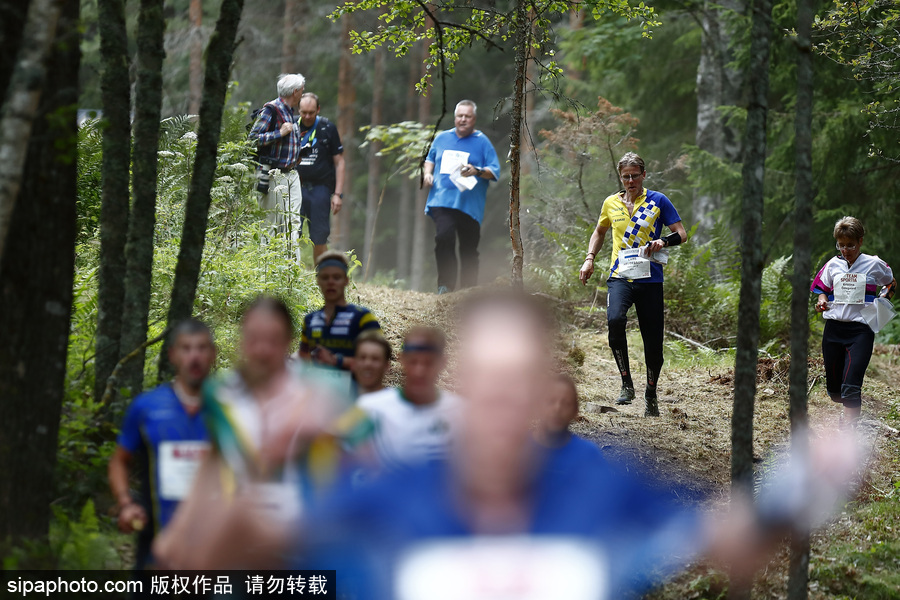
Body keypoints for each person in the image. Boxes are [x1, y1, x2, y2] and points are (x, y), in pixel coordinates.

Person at [152, 296, 344, 570]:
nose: (262, 350)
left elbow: (360, 457)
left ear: (288, 341)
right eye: (254, 339)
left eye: (273, 340)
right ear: (241, 339)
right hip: (237, 540)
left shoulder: (316, 390)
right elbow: (213, 462)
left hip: (301, 534)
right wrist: (178, 530)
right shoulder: (222, 393)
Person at [579, 152, 687, 416]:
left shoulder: (657, 200)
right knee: (615, 320)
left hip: (650, 278)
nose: (630, 181)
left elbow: (681, 234)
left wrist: (663, 241)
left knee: (653, 341)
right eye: (626, 177)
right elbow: (599, 231)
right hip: (621, 276)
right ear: (620, 177)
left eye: (635, 176)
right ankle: (626, 383)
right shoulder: (610, 203)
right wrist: (589, 258)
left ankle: (651, 393)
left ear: (644, 175)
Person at [107, 319, 215, 570]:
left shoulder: (229, 408)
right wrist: (126, 504)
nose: (194, 357)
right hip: (155, 544)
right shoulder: (147, 407)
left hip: (214, 548)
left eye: (201, 348)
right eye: (186, 348)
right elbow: (119, 461)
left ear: (212, 354)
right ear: (172, 355)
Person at [811, 216, 896, 427]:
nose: (845, 250)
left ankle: (848, 431)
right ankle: (846, 408)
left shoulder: (874, 264)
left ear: (860, 241)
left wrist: (882, 302)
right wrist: (822, 302)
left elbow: (890, 283)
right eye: (841, 245)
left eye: (850, 245)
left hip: (861, 331)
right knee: (835, 391)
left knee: (851, 386)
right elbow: (821, 289)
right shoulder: (833, 264)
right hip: (833, 330)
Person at [422, 100, 501, 294]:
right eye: (460, 116)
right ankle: (445, 286)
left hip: (469, 205)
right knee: (443, 237)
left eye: (467, 116)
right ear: (455, 117)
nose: (463, 119)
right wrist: (428, 174)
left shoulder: (482, 142)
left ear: (474, 119)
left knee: (468, 249)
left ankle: (468, 291)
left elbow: (494, 171)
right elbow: (430, 158)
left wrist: (477, 170)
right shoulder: (442, 138)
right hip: (442, 200)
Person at [357, 327, 460, 471]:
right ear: (401, 359)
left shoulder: (462, 414)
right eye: (413, 361)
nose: (419, 371)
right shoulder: (369, 409)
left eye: (428, 362)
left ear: (442, 363)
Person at [299, 251, 382, 372]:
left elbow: (379, 360)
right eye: (325, 277)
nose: (330, 282)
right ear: (318, 281)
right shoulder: (309, 320)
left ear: (346, 280)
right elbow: (303, 358)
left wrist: (337, 361)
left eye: (336, 277)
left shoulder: (363, 317)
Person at [249, 73, 306, 246]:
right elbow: (252, 139)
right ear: (295, 91)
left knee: (293, 222)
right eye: (302, 90)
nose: (303, 93)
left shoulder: (289, 112)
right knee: (271, 223)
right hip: (273, 174)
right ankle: (267, 262)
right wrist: (279, 133)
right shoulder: (271, 109)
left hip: (292, 174)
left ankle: (291, 262)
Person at [296, 93, 345, 262]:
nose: (307, 116)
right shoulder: (291, 126)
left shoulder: (327, 128)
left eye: (311, 112)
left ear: (318, 109)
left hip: (320, 189)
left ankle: (321, 273)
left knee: (320, 236)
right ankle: (288, 274)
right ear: (298, 110)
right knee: (291, 233)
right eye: (303, 112)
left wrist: (338, 194)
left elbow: (339, 162)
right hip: (294, 187)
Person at [533, 373, 607, 474]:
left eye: (566, 404)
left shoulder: (588, 455)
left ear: (575, 410)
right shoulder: (519, 450)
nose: (557, 409)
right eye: (551, 401)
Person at [351, 330, 392, 396]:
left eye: (375, 359)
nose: (368, 364)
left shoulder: (396, 401)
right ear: (354, 363)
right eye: (362, 357)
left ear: (386, 366)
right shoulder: (339, 398)